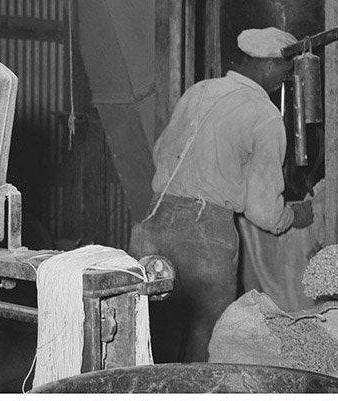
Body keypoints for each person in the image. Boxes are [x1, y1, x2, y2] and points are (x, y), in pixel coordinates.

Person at [130, 27, 314, 362]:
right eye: (285, 74)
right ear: (271, 66)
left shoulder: (199, 91)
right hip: (206, 236)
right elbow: (264, 213)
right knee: (208, 337)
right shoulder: (265, 115)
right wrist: (298, 215)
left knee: (154, 332)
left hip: (155, 223)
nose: (282, 83)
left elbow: (162, 152)